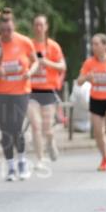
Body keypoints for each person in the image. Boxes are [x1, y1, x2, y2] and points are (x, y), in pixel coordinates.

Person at [0, 9, 38, 181]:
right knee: (5, 130)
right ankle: (10, 166)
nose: (6, 34)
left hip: (21, 91)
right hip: (1, 92)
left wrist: (29, 73)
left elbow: (35, 62)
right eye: (3, 31)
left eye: (9, 30)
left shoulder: (24, 42)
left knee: (17, 127)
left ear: (14, 28)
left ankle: (22, 162)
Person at [75, 33, 106, 171]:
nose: (93, 47)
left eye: (96, 44)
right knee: (98, 131)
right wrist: (86, 77)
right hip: (96, 98)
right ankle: (104, 157)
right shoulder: (89, 63)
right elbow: (79, 82)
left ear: (105, 46)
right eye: (92, 44)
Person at [27, 14, 66, 170]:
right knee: (36, 125)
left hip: (48, 90)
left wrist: (45, 62)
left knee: (47, 128)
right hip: (31, 91)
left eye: (41, 25)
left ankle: (50, 141)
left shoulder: (53, 46)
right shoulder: (28, 45)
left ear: (46, 27)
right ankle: (40, 158)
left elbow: (62, 66)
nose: (38, 28)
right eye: (36, 24)